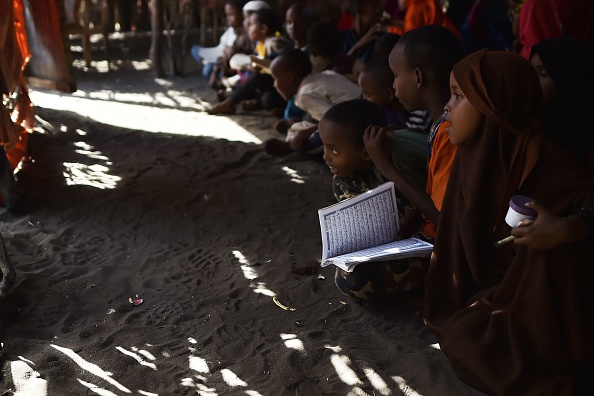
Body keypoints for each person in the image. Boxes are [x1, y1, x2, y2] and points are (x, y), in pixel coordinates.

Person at [424, 49, 594, 395]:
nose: (446, 106)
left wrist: (565, 229)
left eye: (458, 95)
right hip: (497, 290)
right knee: (463, 334)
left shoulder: (549, 161)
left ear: (494, 104)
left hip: (541, 301)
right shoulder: (470, 157)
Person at [318, 99, 429, 302]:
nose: (325, 156)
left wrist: (401, 233)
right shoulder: (381, 147)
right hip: (409, 208)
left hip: (437, 235)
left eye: (333, 150)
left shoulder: (398, 158)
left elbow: (429, 206)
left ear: (366, 153)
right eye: (323, 146)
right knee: (343, 180)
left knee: (352, 279)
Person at [364, 25, 464, 239]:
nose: (393, 85)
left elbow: (444, 218)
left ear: (418, 77)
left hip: (440, 244)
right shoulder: (441, 124)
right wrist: (417, 215)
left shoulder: (450, 132)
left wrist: (387, 168)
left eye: (396, 76)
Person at [263, 48, 362, 156]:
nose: (274, 85)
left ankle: (292, 146)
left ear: (290, 78)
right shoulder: (325, 74)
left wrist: (303, 135)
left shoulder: (305, 95)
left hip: (356, 125)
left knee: (312, 142)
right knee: (303, 125)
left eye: (275, 79)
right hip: (359, 110)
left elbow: (334, 122)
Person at [207, 7, 292, 115]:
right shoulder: (261, 44)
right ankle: (237, 98)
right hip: (274, 86)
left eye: (251, 25)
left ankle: (232, 101)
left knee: (258, 78)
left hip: (284, 86)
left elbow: (279, 69)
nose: (247, 28)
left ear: (263, 29)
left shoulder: (273, 43)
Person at [529, 37, 594, 170]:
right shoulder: (533, 121)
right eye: (530, 71)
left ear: (569, 81)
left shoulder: (575, 143)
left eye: (542, 73)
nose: (530, 81)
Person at [191, 0, 252, 94]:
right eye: (227, 15)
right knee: (195, 49)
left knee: (207, 70)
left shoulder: (248, 34)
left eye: (231, 15)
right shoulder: (233, 30)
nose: (228, 18)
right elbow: (222, 47)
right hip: (221, 58)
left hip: (233, 68)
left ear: (242, 15)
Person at [357, 59, 408, 129]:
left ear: (388, 94)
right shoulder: (380, 115)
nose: (364, 98)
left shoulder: (413, 114)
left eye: (368, 94)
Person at [387, 0, 459, 37]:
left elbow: (409, 35)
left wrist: (389, 29)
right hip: (451, 35)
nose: (398, 2)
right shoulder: (420, 3)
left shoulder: (414, 10)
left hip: (444, 42)